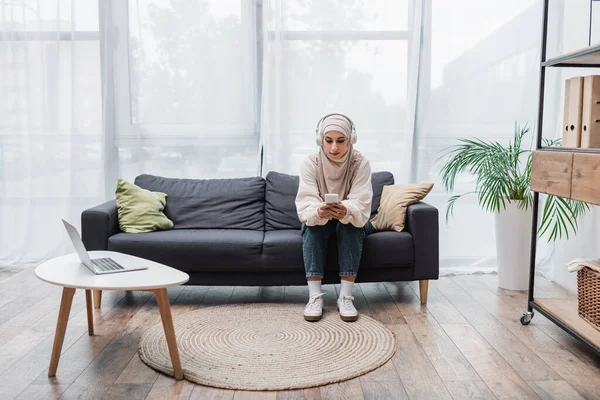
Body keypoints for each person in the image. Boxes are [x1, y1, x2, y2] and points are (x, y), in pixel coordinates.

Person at [295, 113, 373, 322]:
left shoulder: (360, 163)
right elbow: (306, 202)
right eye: (328, 141)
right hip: (321, 220)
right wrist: (319, 211)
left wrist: (346, 211)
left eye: (341, 141)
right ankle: (314, 297)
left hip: (352, 221)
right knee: (313, 226)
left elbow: (361, 202)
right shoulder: (310, 163)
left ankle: (345, 297)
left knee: (350, 226)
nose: (334, 148)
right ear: (320, 140)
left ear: (351, 139)